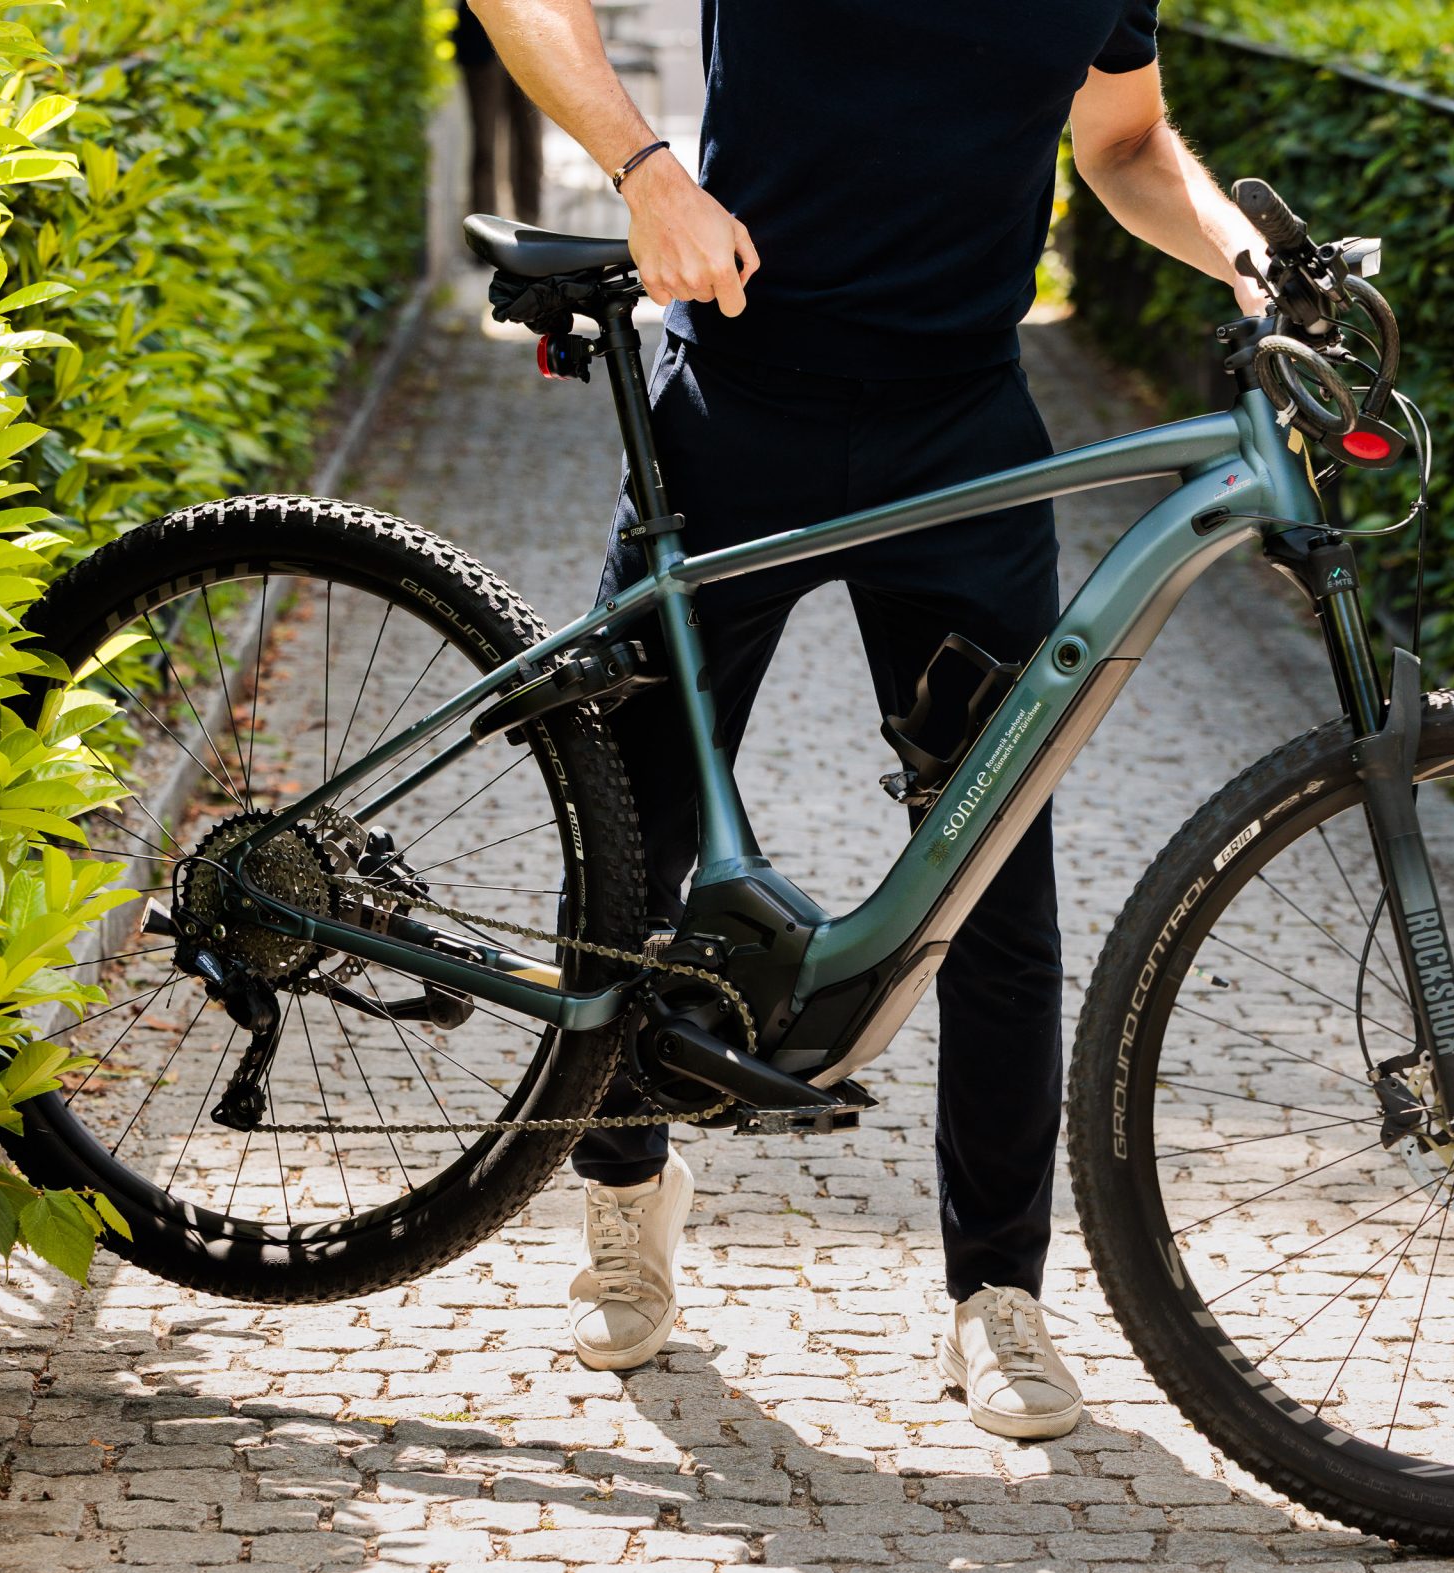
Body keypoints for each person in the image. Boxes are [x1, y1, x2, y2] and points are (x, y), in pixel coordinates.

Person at [469, 0, 1272, 1441]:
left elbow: (1128, 138)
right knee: (628, 840)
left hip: (962, 438)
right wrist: (648, 170)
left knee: (993, 878)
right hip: (733, 411)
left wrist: (1247, 256)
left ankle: (997, 1296)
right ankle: (623, 1190)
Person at [457, 6, 543, 226]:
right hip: (480, 44)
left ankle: (531, 227)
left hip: (528, 46)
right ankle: (482, 229)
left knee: (529, 142)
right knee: (484, 145)